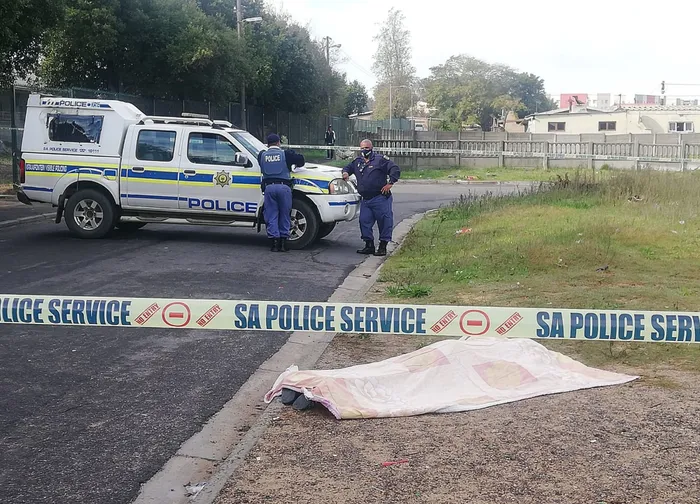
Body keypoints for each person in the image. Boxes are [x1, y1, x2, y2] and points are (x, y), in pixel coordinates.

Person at [342, 139, 400, 256]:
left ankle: (382, 247)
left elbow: (394, 169)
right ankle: (369, 245)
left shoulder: (380, 160)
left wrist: (390, 183)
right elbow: (348, 167)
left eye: (367, 148)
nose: (364, 150)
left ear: (371, 148)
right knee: (364, 221)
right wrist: (345, 173)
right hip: (366, 199)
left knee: (384, 222)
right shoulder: (358, 161)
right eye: (362, 148)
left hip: (380, 197)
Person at [258, 133, 305, 252]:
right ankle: (283, 244)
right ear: (279, 142)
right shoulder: (286, 154)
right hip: (284, 188)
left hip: (269, 188)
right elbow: (301, 161)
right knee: (285, 214)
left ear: (268, 144)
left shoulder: (262, 155)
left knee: (271, 215)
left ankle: (274, 244)